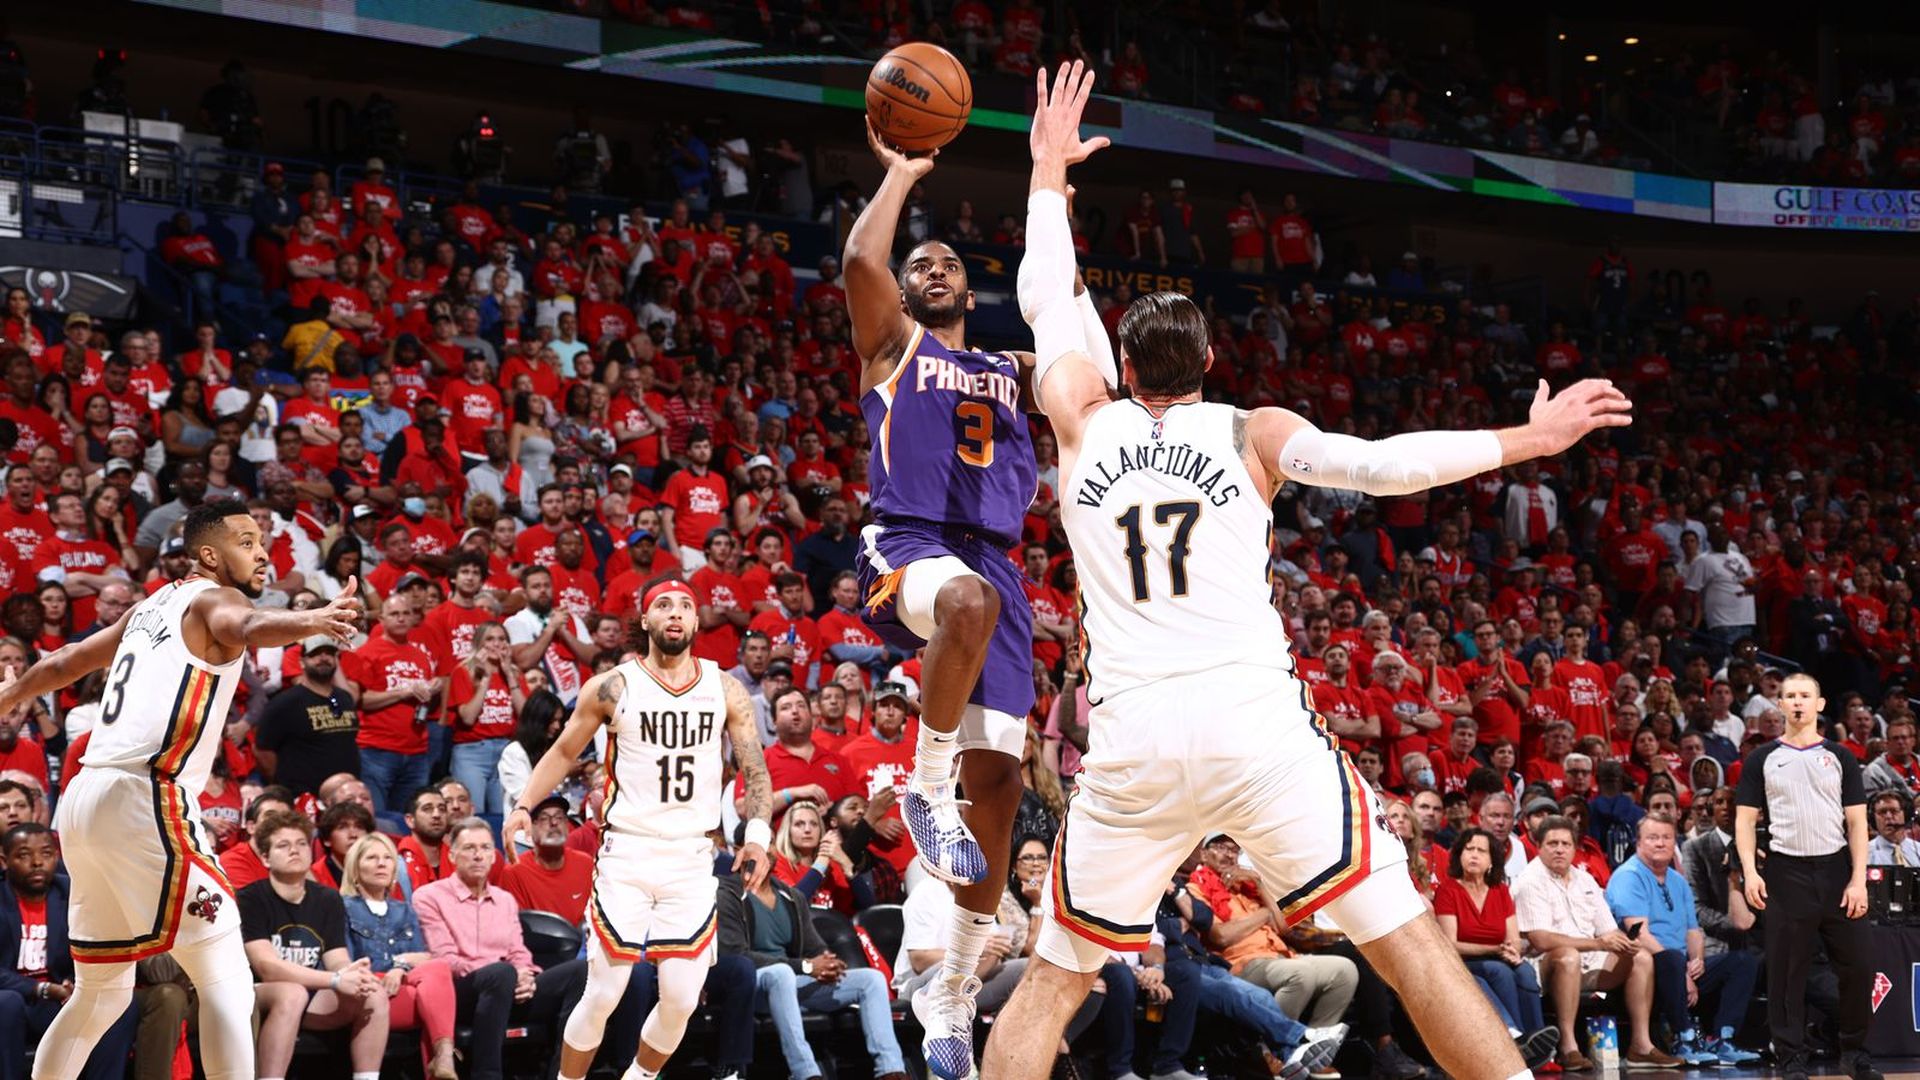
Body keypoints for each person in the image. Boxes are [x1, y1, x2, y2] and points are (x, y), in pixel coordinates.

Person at [984, 62, 1632, 1080]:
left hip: (1133, 736)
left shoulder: (1079, 414)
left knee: (1056, 980)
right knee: (1409, 948)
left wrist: (1047, 177)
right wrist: (1527, 439)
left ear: (1125, 368)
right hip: (1253, 726)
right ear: (1208, 364)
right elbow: (1383, 467)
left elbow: (1044, 296)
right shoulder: (1252, 431)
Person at [0, 498, 361, 1080]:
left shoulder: (148, 607)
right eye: (246, 542)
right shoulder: (217, 599)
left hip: (85, 798)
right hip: (146, 792)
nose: (262, 553)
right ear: (210, 556)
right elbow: (249, 626)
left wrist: (10, 696)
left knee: (101, 993)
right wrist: (312, 621)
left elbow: (66, 660)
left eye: (261, 541)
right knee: (226, 974)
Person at [844, 73, 1042, 1078]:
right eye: (918, 263)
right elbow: (859, 260)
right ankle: (924, 788)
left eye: (947, 262)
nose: (929, 268)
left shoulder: (1010, 370)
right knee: (962, 601)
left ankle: (954, 993)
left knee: (1000, 794)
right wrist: (901, 176)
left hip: (1001, 566)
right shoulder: (893, 346)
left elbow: (1089, 377)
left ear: (972, 289)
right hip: (912, 542)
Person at [501, 579, 772, 1080]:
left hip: (691, 855)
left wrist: (757, 834)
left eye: (686, 605)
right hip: (627, 851)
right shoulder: (614, 686)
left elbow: (754, 768)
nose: (676, 613)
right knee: (605, 991)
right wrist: (524, 803)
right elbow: (563, 751)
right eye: (663, 605)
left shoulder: (725, 688)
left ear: (696, 621)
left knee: (682, 999)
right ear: (645, 620)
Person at [1735, 673, 1876, 1080]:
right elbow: (1745, 822)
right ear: (1780, 705)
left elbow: (1857, 823)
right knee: (1786, 973)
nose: (1797, 702)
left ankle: (1854, 1052)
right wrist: (1750, 872)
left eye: (1805, 695)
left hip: (1836, 871)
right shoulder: (1762, 758)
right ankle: (1791, 1059)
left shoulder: (1840, 756)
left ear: (1819, 704)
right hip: (1786, 872)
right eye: (1790, 696)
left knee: (1859, 967)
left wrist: (1858, 879)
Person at [414, 818, 588, 1080]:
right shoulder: (429, 897)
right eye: (469, 848)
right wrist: (508, 973)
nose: (478, 855)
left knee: (580, 971)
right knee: (499, 973)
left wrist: (526, 975)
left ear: (493, 856)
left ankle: (563, 1075)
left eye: (485, 848)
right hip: (460, 993)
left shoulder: (504, 900)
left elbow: (518, 951)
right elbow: (445, 960)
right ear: (452, 855)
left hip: (505, 987)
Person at [239, 810, 390, 1080]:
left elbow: (336, 957)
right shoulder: (251, 898)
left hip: (311, 990)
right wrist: (335, 980)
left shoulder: (328, 899)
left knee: (372, 992)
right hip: (257, 993)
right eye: (283, 845)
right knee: (292, 993)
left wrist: (351, 972)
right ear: (265, 857)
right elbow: (266, 967)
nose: (294, 850)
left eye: (301, 843)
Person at [1605, 814, 1761, 1067]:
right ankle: (1684, 1039)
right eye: (1652, 838)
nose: (1660, 843)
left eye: (1666, 837)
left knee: (1743, 961)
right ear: (1639, 843)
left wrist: (1697, 960)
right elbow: (1640, 934)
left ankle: (1723, 1038)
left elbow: (1693, 931)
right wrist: (1682, 972)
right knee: (1672, 958)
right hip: (1648, 968)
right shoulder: (1628, 876)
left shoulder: (1677, 880)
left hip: (1680, 966)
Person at [1513, 815, 1666, 1070]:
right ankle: (1568, 1047)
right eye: (1552, 843)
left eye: (1565, 844)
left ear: (1575, 848)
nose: (1560, 849)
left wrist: (1625, 944)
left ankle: (1641, 1046)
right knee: (1568, 955)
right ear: (1538, 846)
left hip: (1590, 961)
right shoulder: (1530, 880)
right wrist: (1599, 944)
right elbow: (1541, 939)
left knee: (1640, 957)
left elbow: (1608, 930)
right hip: (1544, 965)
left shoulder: (1585, 880)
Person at [0, 823, 139, 1080]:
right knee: (6, 1003)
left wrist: (79, 984)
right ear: (4, 860)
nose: (37, 863)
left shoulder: (73, 893)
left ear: (57, 856)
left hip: (57, 1001)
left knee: (119, 1005)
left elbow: (97, 946)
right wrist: (40, 988)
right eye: (24, 855)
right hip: (14, 1000)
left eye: (46, 854)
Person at [338, 832, 459, 1079]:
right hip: (369, 992)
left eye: (387, 858)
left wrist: (399, 968)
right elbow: (348, 964)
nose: (381, 864)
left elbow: (422, 959)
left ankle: (443, 1056)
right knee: (434, 1001)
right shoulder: (342, 907)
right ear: (355, 868)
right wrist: (399, 964)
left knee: (436, 970)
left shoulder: (405, 910)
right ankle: (444, 1056)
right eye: (372, 858)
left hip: (404, 987)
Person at [1432, 828, 1556, 1066]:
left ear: (1492, 860)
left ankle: (1539, 1042)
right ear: (1459, 855)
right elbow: (1450, 945)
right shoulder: (1448, 890)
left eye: (1481, 851)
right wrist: (1494, 950)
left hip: (1497, 957)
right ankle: (1515, 1041)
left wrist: (1513, 951)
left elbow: (1513, 939)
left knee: (1524, 971)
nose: (1474, 855)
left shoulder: (1500, 891)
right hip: (1462, 963)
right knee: (1499, 971)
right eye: (1469, 849)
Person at [1867, 790, 1920, 866]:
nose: (1888, 816)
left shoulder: (1918, 849)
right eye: (1882, 812)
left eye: (1894, 811)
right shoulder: (1865, 854)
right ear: (1873, 819)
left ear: (1906, 815)